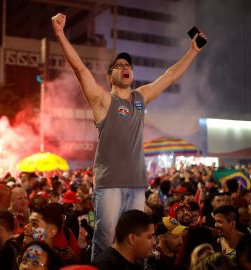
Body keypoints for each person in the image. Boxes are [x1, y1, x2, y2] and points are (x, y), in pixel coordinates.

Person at [51, 13, 206, 260]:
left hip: (136, 184)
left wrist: (192, 52)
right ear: (110, 75)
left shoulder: (140, 99)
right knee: (105, 237)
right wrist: (60, 34)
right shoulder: (103, 100)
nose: (126, 68)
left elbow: (169, 76)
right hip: (109, 184)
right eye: (120, 66)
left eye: (129, 66)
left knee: (134, 242)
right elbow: (80, 68)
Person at [92, 210, 156, 270]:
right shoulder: (104, 266)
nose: (154, 242)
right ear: (132, 239)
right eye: (150, 237)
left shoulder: (135, 265)